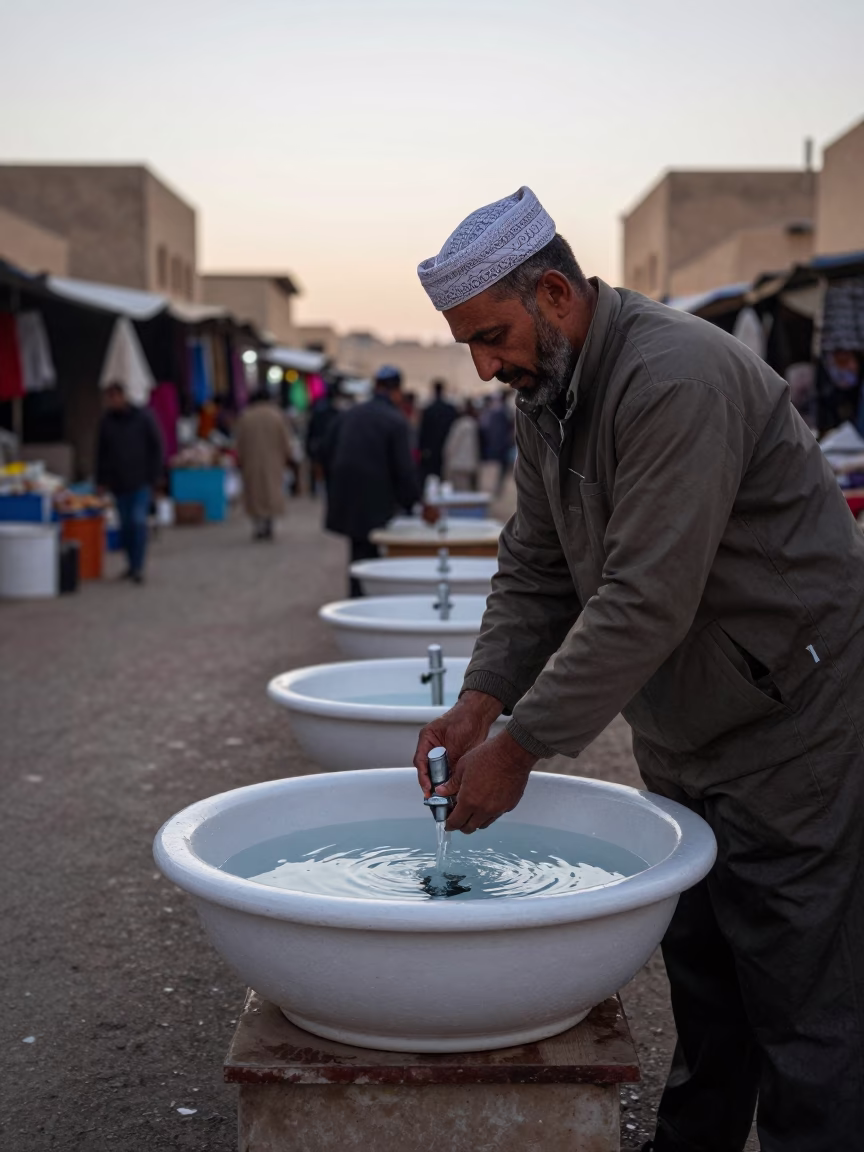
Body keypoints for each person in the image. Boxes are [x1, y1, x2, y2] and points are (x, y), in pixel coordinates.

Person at [413, 186, 864, 1151]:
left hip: (792, 716)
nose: (487, 367)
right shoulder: (550, 393)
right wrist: (476, 705)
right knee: (705, 972)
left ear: (555, 293)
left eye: (493, 335)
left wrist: (523, 746)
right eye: (470, 348)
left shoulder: (673, 378)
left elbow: (645, 596)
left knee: (801, 990)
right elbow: (537, 566)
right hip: (687, 719)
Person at [324, 365, 421, 597]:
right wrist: (413, 502)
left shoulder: (349, 414)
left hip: (347, 497)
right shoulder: (395, 420)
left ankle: (357, 597)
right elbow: (404, 468)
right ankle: (369, 603)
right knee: (372, 555)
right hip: (376, 501)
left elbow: (325, 451)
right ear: (396, 390)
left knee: (358, 551)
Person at [96, 381, 164, 584]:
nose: (114, 401)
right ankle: (131, 564)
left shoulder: (143, 418)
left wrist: (156, 476)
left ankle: (138, 567)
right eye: (111, 397)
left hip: (141, 480)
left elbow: (156, 447)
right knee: (125, 526)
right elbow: (101, 454)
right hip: (118, 483)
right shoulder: (106, 423)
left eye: (117, 396)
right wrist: (101, 481)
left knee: (137, 522)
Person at [234, 389, 294, 540]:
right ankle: (269, 523)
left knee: (254, 493)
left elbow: (239, 442)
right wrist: (287, 456)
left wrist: (240, 459)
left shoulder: (246, 416)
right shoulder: (277, 416)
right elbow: (286, 440)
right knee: (271, 491)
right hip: (274, 461)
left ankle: (258, 525)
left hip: (251, 461)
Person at [418, 378, 457, 480]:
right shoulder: (450, 409)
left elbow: (423, 431)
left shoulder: (429, 410)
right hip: (447, 448)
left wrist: (422, 449)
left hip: (432, 450)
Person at [442, 401, 481, 491]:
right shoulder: (473, 424)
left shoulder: (460, 424)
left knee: (460, 492)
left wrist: (446, 461)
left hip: (458, 464)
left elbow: (451, 445)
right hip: (469, 464)